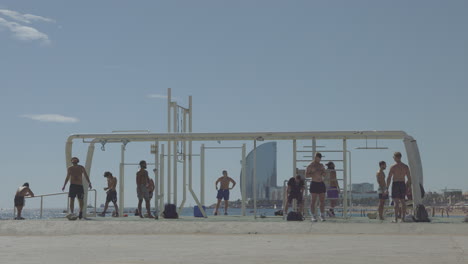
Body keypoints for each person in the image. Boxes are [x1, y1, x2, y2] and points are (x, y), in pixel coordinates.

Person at [386, 152, 412, 223]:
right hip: (402, 184)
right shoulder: (405, 166)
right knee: (403, 201)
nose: (393, 158)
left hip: (396, 184)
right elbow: (409, 178)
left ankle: (396, 219)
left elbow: (389, 178)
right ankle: (403, 218)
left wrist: (386, 188)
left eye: (394, 157)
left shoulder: (393, 167)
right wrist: (409, 187)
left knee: (396, 202)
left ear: (397, 157)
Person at [306, 152, 327, 222]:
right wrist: (313, 174)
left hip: (321, 183)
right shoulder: (310, 165)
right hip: (314, 183)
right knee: (313, 200)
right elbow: (306, 175)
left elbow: (324, 173)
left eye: (319, 157)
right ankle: (313, 216)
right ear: (314, 157)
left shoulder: (321, 165)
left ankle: (322, 215)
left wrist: (323, 173)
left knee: (322, 201)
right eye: (316, 157)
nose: (317, 158)